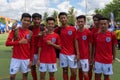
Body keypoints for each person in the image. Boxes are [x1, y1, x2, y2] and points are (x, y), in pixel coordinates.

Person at [5, 13, 34, 80]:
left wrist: (31, 60)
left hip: (26, 59)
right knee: (12, 77)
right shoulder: (15, 30)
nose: (26, 22)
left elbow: (32, 47)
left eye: (28, 21)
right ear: (21, 20)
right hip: (15, 58)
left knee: (25, 76)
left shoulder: (30, 33)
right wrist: (19, 42)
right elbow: (7, 43)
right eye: (25, 20)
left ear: (30, 22)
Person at [55, 12, 77, 80]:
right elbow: (51, 34)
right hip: (63, 54)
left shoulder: (73, 29)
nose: (63, 19)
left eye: (64, 18)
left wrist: (77, 53)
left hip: (72, 54)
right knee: (65, 71)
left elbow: (75, 42)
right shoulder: (57, 30)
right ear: (59, 20)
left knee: (74, 73)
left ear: (67, 18)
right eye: (61, 18)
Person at [75, 15, 92, 80]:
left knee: (85, 73)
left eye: (81, 21)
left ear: (84, 22)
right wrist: (77, 54)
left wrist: (90, 57)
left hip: (85, 57)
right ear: (77, 22)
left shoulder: (88, 32)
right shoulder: (76, 32)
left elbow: (90, 45)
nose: (80, 23)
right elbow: (76, 43)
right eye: (78, 22)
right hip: (78, 56)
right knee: (80, 71)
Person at [88, 14, 103, 80]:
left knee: (101, 73)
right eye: (94, 20)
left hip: (103, 54)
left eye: (97, 20)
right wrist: (91, 56)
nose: (96, 22)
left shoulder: (105, 30)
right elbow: (91, 44)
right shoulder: (92, 31)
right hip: (93, 54)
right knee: (90, 69)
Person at [30, 13, 42, 80]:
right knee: (33, 67)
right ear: (32, 20)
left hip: (41, 52)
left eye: (38, 19)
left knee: (42, 68)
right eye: (35, 19)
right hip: (32, 51)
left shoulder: (43, 29)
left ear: (41, 20)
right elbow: (27, 38)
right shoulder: (29, 28)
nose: (36, 21)